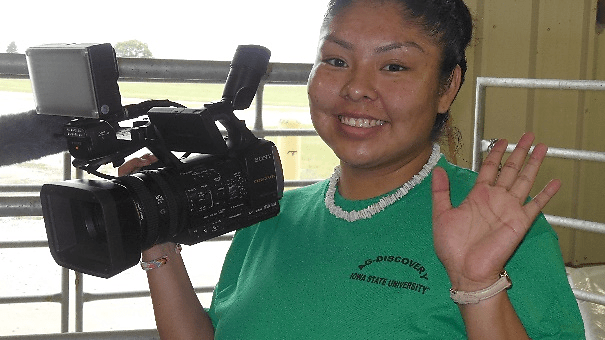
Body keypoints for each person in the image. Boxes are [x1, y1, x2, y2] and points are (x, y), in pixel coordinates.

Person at [121, 0, 586, 338]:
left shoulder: (499, 226)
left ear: (448, 87)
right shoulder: (273, 214)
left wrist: (478, 286)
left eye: (395, 67)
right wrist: (158, 242)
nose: (357, 88)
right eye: (336, 60)